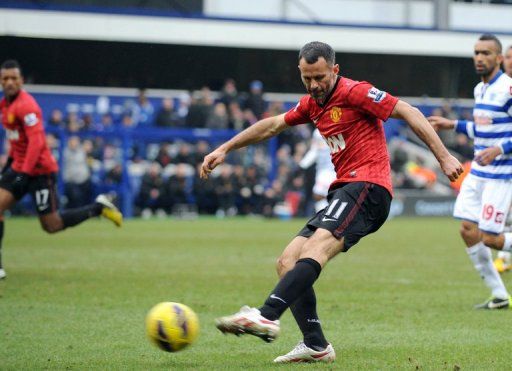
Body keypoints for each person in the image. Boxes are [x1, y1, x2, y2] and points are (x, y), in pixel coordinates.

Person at [200, 41, 462, 363]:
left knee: (315, 250)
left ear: (335, 70)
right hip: (344, 191)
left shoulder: (355, 92)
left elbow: (408, 110)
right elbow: (272, 125)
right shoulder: (312, 104)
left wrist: (444, 156)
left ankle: (266, 315)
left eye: (320, 77)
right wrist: (225, 148)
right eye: (307, 78)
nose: (314, 85)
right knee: (287, 262)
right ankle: (316, 344)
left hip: (368, 186)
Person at [0, 60, 123, 280]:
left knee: (52, 225)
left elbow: (37, 143)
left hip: (39, 172)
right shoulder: (4, 105)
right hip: (19, 168)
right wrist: (10, 165)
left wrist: (24, 174)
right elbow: (17, 140)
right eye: (5, 78)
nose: (9, 82)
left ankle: (97, 208)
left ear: (21, 80)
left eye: (14, 78)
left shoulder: (27, 106)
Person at [429, 34, 512, 309]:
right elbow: (483, 127)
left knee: (490, 236)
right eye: (477, 52)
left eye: (486, 53)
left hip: (501, 174)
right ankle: (499, 294)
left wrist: (499, 149)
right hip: (478, 172)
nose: (480, 57)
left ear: (499, 58)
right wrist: (451, 124)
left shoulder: (508, 88)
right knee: (467, 229)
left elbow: (499, 138)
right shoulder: (480, 90)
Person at [493, 44, 512, 273]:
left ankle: (504, 258)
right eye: (506, 57)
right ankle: (504, 259)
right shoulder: (497, 90)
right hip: (504, 164)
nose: (509, 61)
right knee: (504, 212)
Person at [299, 129, 337, 212]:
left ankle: (326, 217)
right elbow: (314, 151)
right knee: (321, 195)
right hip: (323, 169)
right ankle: (326, 217)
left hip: (331, 169)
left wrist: (302, 165)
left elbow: (314, 151)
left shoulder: (337, 128)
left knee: (319, 195)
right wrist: (303, 165)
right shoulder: (317, 132)